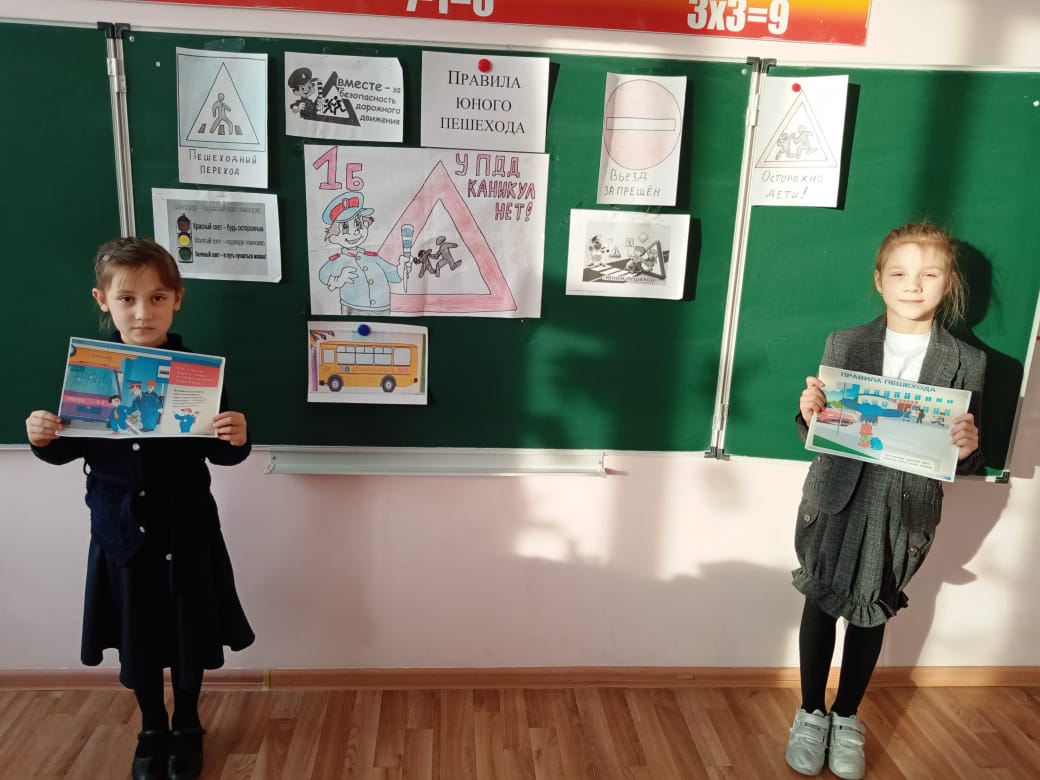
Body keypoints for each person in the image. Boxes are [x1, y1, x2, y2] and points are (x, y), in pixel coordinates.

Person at [25, 237, 254, 780]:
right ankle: (152, 725)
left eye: (157, 298)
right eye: (127, 299)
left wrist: (238, 436)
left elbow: (222, 454)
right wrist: (42, 438)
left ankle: (188, 723)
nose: (142, 312)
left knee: (188, 635)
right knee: (138, 635)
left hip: (186, 531)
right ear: (103, 300)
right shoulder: (89, 372)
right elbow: (66, 449)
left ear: (177, 300)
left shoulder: (199, 376)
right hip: (120, 535)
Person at [787, 222, 985, 779]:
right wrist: (808, 414)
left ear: (949, 283)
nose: (913, 285)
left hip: (905, 507)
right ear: (879, 280)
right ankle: (810, 712)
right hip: (837, 496)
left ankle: (847, 715)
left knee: (872, 609)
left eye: (929, 274)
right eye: (899, 273)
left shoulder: (967, 361)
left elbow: (963, 458)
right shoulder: (845, 343)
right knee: (821, 601)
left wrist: (970, 448)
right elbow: (820, 430)